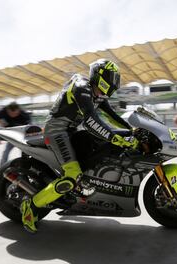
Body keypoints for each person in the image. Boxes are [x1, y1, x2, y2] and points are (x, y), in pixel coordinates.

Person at [21, 59, 138, 233]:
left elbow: (112, 116)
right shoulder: (82, 87)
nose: (114, 82)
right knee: (72, 175)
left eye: (116, 78)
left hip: (71, 131)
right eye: (111, 77)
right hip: (57, 131)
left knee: (97, 151)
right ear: (100, 76)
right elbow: (91, 120)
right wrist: (116, 137)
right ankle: (30, 207)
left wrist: (131, 130)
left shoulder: (98, 95)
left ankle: (80, 191)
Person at [0, 102, 31, 166]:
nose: (12, 115)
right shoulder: (4, 111)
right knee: (6, 152)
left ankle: (26, 167)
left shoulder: (24, 115)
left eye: (14, 113)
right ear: (7, 110)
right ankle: (1, 168)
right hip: (12, 135)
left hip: (22, 136)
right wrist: (1, 122)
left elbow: (29, 128)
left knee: (25, 153)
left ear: (18, 110)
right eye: (10, 113)